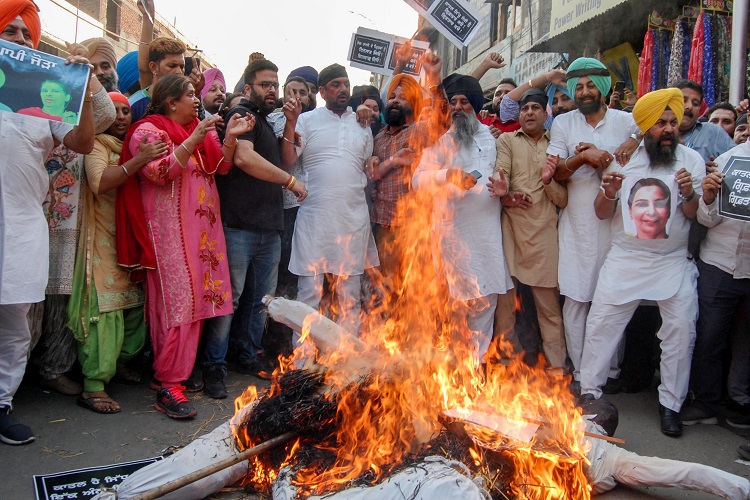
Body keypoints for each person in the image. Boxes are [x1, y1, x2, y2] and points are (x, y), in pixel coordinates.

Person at [117, 74, 253, 419]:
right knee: (175, 306)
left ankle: (176, 375)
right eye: (189, 94)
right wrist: (193, 137)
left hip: (202, 234)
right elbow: (159, 173)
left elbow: (218, 167)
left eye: (196, 94)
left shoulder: (200, 128)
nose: (196, 99)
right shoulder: (148, 131)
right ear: (169, 101)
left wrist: (231, 139)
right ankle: (168, 384)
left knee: (195, 304)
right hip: (168, 233)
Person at [0, 0, 99, 445]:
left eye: (27, 34)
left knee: (14, 319)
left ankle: (1, 403)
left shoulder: (46, 93)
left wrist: (79, 88)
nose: (21, 39)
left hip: (20, 225)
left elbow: (81, 142)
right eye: (11, 31)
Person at [579, 88, 705, 438]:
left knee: (681, 330)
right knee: (601, 323)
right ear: (645, 127)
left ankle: (671, 405)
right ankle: (589, 393)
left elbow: (694, 215)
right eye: (659, 123)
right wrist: (610, 192)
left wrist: (689, 193)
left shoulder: (690, 160)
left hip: (672, 261)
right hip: (626, 258)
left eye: (672, 123)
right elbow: (602, 213)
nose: (668, 129)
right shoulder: (624, 160)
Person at [201, 59, 306, 398]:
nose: (272, 90)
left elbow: (285, 160)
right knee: (228, 300)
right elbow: (244, 158)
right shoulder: (241, 115)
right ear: (248, 88)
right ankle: (214, 366)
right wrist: (290, 182)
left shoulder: (264, 121)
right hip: (240, 228)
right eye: (265, 84)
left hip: (269, 229)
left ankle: (247, 355)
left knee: (260, 302)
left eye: (275, 84)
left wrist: (290, 124)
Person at [68, 92, 168, 414]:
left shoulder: (134, 144)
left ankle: (121, 365)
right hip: (101, 246)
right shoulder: (97, 145)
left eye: (127, 111)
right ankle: (94, 387)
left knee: (135, 311)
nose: (122, 117)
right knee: (105, 314)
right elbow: (99, 182)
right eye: (115, 111)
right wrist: (139, 160)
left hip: (131, 242)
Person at [546, 57, 640, 388]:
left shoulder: (628, 122)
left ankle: (609, 372)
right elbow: (556, 171)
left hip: (618, 224)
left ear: (602, 88)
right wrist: (582, 157)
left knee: (612, 301)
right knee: (576, 298)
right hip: (576, 224)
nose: (585, 92)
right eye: (578, 86)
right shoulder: (564, 124)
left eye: (590, 85)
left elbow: (650, 131)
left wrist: (632, 140)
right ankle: (584, 373)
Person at [413, 74, 512, 363]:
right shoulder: (440, 142)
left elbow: (505, 177)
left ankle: (476, 363)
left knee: (487, 298)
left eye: (464, 101)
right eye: (453, 102)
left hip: (489, 233)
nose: (457, 107)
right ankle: (457, 364)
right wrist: (448, 176)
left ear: (476, 106)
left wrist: (505, 190)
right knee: (460, 302)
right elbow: (418, 181)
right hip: (453, 234)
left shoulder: (494, 140)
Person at [280, 63, 377, 340]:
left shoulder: (362, 123)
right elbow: (287, 160)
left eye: (345, 83)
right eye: (335, 85)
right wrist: (290, 122)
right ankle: (302, 363)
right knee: (309, 294)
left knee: (350, 297)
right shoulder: (307, 120)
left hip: (352, 220)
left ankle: (349, 366)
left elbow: (367, 162)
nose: (343, 89)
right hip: (315, 219)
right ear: (321, 92)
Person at [493, 88, 567, 370]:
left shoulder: (556, 145)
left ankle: (557, 368)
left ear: (545, 113)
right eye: (525, 109)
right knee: (506, 305)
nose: (529, 113)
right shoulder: (508, 141)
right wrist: (505, 193)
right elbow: (502, 172)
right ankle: (504, 363)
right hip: (511, 229)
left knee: (548, 308)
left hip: (545, 235)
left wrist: (548, 181)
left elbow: (563, 199)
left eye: (536, 107)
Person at [681, 137, 750, 427]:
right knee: (709, 336)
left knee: (746, 343)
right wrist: (708, 199)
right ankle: (706, 402)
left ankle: (740, 402)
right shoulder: (728, 161)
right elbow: (707, 220)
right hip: (718, 264)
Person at [370, 61, 447, 288]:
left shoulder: (420, 131)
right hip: (381, 224)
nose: (395, 101)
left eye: (402, 98)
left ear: (412, 103)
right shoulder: (378, 137)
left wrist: (434, 76)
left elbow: (442, 115)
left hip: (412, 226)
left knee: (412, 292)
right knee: (385, 288)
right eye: (392, 96)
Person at [129, 37, 188, 122]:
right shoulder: (132, 105)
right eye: (172, 66)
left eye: (182, 67)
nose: (179, 72)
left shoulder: (186, 104)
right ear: (154, 67)